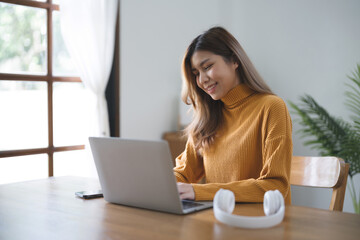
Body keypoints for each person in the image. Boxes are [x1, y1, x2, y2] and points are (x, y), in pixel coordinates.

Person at [174, 26, 293, 204]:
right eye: (196, 73)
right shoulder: (206, 119)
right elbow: (184, 173)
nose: (202, 80)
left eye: (207, 67)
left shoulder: (271, 107)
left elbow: (275, 186)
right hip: (217, 222)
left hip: (262, 225)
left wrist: (199, 191)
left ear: (234, 60)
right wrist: (157, 185)